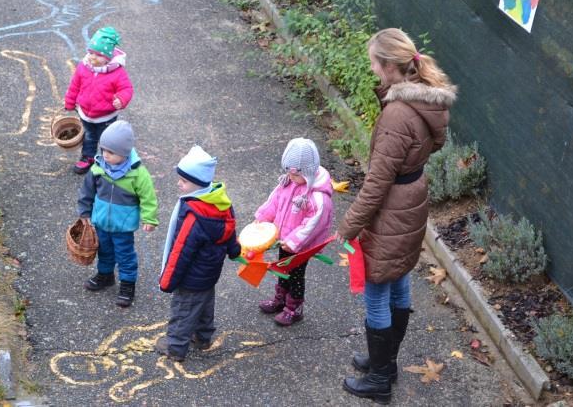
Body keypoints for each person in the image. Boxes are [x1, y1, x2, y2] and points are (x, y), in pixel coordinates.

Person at [336, 28, 456, 404]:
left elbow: (376, 185)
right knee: (399, 274)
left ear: (389, 67)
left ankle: (381, 377)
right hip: (412, 200)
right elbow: (434, 144)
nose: (372, 69)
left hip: (391, 208)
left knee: (376, 287)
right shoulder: (426, 101)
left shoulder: (397, 115)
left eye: (374, 63)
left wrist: (348, 225)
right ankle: (383, 359)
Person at [156, 146, 240, 361]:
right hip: (209, 273)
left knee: (183, 310)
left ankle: (175, 346)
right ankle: (203, 338)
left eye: (183, 181)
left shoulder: (195, 216)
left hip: (191, 277)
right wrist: (234, 251)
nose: (178, 184)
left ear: (197, 184)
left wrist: (167, 281)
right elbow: (230, 229)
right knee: (204, 305)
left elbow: (181, 251)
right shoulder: (220, 203)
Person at [77, 120, 158, 307]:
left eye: (111, 152)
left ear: (125, 152)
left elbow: (148, 197)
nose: (105, 155)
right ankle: (105, 275)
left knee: (125, 254)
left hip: (123, 225)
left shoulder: (138, 174)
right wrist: (85, 212)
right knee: (104, 251)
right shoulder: (98, 168)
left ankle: (128, 284)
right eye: (103, 150)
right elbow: (87, 191)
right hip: (101, 221)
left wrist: (149, 218)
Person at [255, 138, 334, 326]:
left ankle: (294, 308)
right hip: (284, 240)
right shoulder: (288, 183)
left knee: (296, 276)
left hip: (300, 246)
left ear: (308, 173)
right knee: (283, 270)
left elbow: (313, 224)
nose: (291, 178)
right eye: (288, 173)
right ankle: (280, 299)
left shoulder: (316, 197)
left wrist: (293, 241)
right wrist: (263, 217)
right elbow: (275, 202)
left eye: (295, 175)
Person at [65, 26, 134, 174]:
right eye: (90, 53)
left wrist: (121, 99)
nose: (92, 57)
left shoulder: (117, 72)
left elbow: (126, 89)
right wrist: (70, 101)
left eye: (98, 55)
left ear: (108, 57)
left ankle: (107, 161)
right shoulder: (84, 67)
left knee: (107, 140)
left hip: (106, 115)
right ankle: (87, 157)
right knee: (89, 137)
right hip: (85, 113)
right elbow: (75, 85)